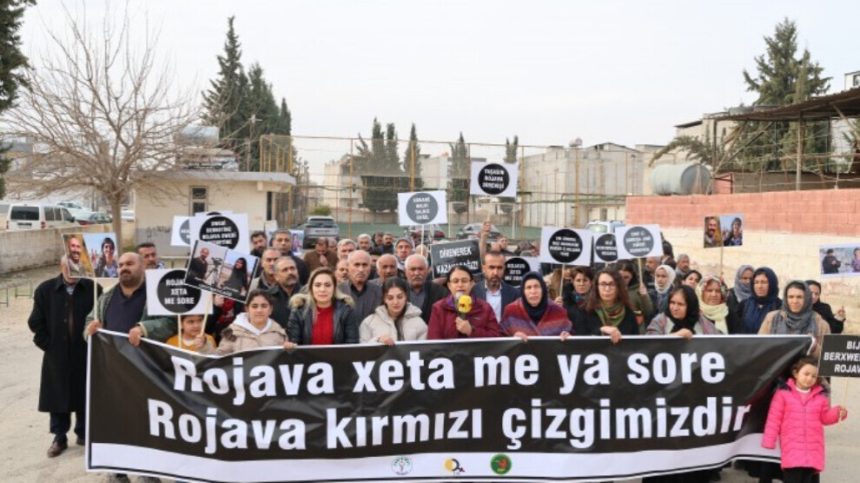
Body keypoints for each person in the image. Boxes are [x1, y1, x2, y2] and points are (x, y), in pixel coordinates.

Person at [28, 256, 100, 458]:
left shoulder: (93, 288)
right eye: (68, 266)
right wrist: (48, 345)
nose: (72, 270)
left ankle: (83, 433)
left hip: (85, 351)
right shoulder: (45, 290)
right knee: (58, 395)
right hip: (56, 354)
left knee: (84, 392)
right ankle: (59, 437)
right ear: (61, 267)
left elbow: (102, 317)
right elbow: (35, 321)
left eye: (76, 266)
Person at [762, 357, 848, 483]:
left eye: (814, 376)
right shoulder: (783, 394)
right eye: (806, 374)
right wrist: (769, 441)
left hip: (813, 450)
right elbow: (774, 419)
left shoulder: (820, 397)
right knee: (792, 478)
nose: (809, 378)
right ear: (796, 373)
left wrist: (837, 413)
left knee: (808, 479)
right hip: (792, 449)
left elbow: (824, 418)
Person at [86, 253, 171, 338]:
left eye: (129, 264)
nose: (124, 268)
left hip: (145, 347)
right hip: (108, 347)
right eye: (120, 265)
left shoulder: (157, 294)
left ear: (143, 267)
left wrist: (144, 329)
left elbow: (171, 323)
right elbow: (90, 320)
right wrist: (90, 328)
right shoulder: (105, 295)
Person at [759, 281, 831, 357]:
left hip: (808, 364)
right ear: (785, 298)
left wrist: (814, 347)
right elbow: (759, 347)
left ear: (807, 299)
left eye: (799, 297)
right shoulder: (772, 318)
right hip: (777, 363)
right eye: (791, 297)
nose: (795, 301)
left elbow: (827, 357)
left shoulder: (820, 324)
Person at [288, 268, 358, 345]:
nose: (322, 289)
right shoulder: (299, 311)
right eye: (317, 285)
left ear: (334, 288)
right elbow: (294, 343)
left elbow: (351, 344)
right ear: (311, 288)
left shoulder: (346, 311)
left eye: (327, 285)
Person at [428, 265, 501, 339]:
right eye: (455, 281)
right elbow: (433, 340)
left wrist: (471, 331)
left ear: (471, 284)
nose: (460, 285)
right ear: (449, 285)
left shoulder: (485, 308)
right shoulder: (438, 308)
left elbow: (495, 337)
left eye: (464, 281)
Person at [217, 290, 295, 355]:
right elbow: (219, 360)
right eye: (254, 306)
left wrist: (290, 351)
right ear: (247, 309)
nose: (259, 310)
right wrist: (208, 346)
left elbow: (285, 361)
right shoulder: (233, 332)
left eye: (264, 306)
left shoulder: (279, 333)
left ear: (270, 309)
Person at [571, 269, 637, 343]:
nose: (607, 289)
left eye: (612, 284)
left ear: (618, 287)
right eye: (603, 284)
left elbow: (635, 343)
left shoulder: (628, 312)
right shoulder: (584, 310)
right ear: (596, 287)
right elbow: (579, 340)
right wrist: (601, 330)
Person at [500, 271, 571, 339]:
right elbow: (501, 338)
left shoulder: (558, 311)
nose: (533, 291)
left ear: (543, 289)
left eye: (536, 286)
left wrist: (567, 336)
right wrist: (513, 338)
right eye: (528, 287)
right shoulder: (511, 311)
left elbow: (570, 335)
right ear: (523, 291)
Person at [359, 277, 427, 344]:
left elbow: (424, 348)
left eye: (400, 297)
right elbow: (362, 348)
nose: (395, 302)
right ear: (384, 299)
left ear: (406, 297)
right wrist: (377, 341)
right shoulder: (369, 322)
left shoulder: (418, 323)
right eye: (390, 298)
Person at [646, 285, 719, 337]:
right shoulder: (660, 321)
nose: (675, 308)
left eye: (680, 304)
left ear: (690, 306)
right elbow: (649, 343)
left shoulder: (701, 322)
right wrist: (675, 336)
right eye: (672, 303)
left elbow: (717, 341)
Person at [472, 250, 520, 323]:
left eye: (499, 268)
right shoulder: (473, 292)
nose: (495, 273)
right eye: (491, 267)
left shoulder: (514, 294)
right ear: (484, 269)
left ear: (504, 269)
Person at [338, 250, 382, 324]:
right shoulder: (338, 291)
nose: (361, 269)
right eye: (356, 265)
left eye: (365, 265)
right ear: (348, 267)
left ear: (370, 267)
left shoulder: (379, 292)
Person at [404, 254, 449, 324]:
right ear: (405, 271)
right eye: (413, 269)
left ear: (427, 270)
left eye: (420, 269)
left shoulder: (440, 292)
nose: (417, 273)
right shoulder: (397, 290)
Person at [740, 267, 782, 334]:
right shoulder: (745, 304)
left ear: (772, 284)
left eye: (764, 282)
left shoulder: (780, 306)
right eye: (756, 282)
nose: (759, 286)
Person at [616, 260, 655, 329]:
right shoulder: (611, 289)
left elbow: (648, 311)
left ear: (632, 276)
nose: (622, 280)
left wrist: (644, 296)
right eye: (620, 277)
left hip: (636, 328)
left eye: (626, 277)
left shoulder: (638, 289)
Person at [268, 257, 302, 329]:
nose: (290, 272)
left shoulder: (308, 294)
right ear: (276, 276)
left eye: (292, 268)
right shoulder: (268, 297)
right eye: (285, 270)